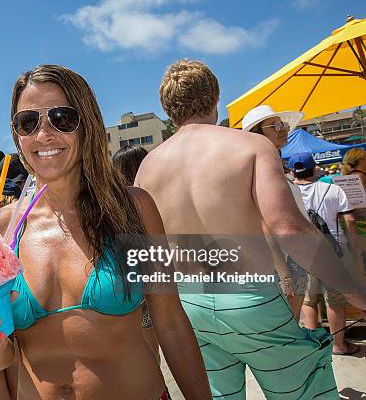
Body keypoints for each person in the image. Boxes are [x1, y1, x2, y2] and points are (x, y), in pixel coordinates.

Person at [0, 64, 210, 399]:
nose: (44, 134)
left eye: (62, 118)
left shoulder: (133, 209)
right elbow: (6, 354)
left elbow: (170, 322)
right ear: (17, 135)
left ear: (86, 125)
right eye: (28, 122)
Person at [135, 59, 366, 399]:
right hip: (250, 298)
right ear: (215, 98)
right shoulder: (250, 147)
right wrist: (350, 290)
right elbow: (290, 229)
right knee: (301, 389)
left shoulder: (148, 166)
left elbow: (150, 253)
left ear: (168, 109)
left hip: (189, 302)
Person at [242, 105, 309, 319]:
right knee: (286, 328)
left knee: (291, 326)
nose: (284, 129)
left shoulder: (273, 170)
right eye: (276, 125)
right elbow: (264, 224)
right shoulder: (257, 174)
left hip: (292, 260)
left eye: (284, 124)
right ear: (257, 134)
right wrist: (285, 273)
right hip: (278, 266)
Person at [289, 152, 360, 356]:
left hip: (303, 253)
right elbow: (350, 221)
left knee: (310, 300)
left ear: (294, 171)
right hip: (335, 251)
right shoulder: (333, 189)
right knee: (336, 300)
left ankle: (314, 344)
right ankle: (338, 345)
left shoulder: (289, 192)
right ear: (315, 167)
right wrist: (354, 250)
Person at [112, 144, 160, 363]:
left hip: (129, 285)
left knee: (143, 346)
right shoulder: (148, 200)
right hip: (154, 281)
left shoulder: (114, 206)